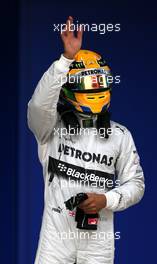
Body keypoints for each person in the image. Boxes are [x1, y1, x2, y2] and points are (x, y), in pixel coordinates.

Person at [28, 16, 145, 264]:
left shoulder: (119, 135)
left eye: (99, 82)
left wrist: (107, 200)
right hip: (55, 242)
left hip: (98, 244)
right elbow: (38, 106)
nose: (94, 88)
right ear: (70, 85)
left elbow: (136, 184)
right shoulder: (50, 129)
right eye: (87, 82)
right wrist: (65, 61)